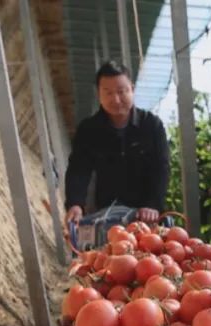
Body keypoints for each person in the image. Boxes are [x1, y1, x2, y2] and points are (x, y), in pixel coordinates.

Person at [64, 60, 170, 225]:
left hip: (145, 215)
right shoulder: (89, 129)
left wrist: (152, 205)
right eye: (108, 93)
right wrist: (75, 204)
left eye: (122, 91)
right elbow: (79, 169)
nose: (116, 99)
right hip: (103, 213)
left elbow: (161, 168)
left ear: (132, 89)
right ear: (99, 94)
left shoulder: (151, 125)